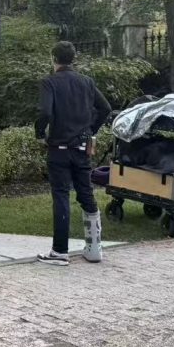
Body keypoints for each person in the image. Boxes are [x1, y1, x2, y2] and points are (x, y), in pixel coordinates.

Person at [34, 42, 111, 266]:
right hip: (81, 146)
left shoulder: (50, 82)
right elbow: (105, 107)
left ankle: (59, 251)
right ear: (73, 58)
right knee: (86, 193)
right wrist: (90, 131)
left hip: (59, 147)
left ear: (53, 58)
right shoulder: (86, 82)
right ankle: (94, 247)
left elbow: (46, 111)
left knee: (61, 196)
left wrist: (40, 132)